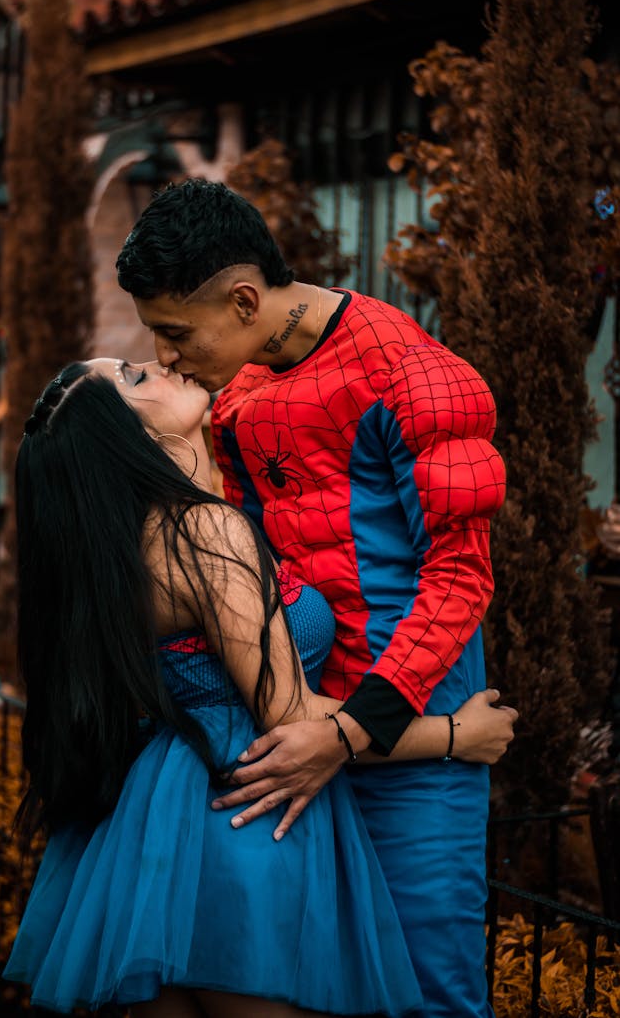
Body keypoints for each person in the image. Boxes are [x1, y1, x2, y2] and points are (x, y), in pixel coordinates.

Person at [4, 356, 516, 1018]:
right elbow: (292, 718)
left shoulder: (123, 556)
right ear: (129, 438)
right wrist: (455, 735)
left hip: (158, 831)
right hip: (248, 825)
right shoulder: (203, 532)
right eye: (134, 376)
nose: (159, 362)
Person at [116, 179, 509, 1018]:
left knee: (425, 987)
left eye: (176, 331)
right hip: (288, 721)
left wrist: (350, 729)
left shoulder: (417, 376)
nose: (169, 354)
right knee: (313, 988)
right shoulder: (238, 392)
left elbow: (460, 576)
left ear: (246, 297)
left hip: (406, 734)